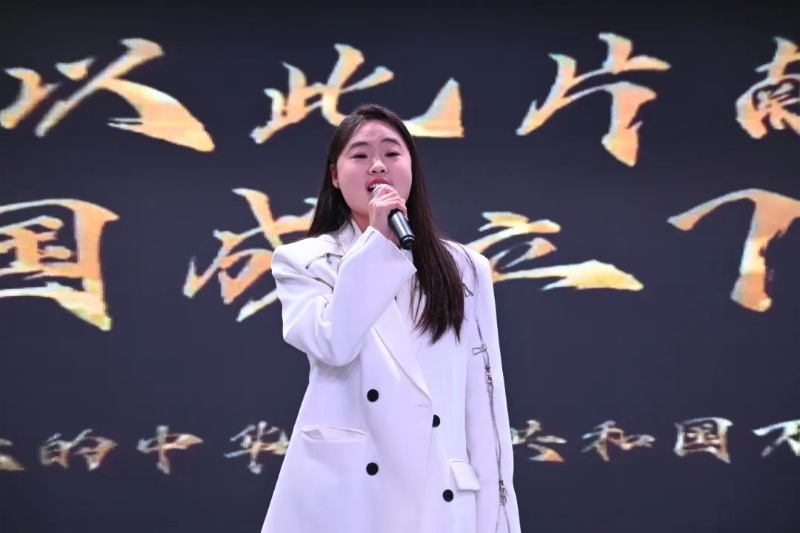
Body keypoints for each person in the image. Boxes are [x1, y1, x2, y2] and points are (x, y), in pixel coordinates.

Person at [259, 103, 521, 533]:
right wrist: (378, 245)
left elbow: (484, 403)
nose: (377, 165)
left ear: (411, 167)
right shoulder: (304, 261)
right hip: (348, 497)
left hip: (439, 494)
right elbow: (334, 343)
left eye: (392, 153)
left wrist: (500, 521)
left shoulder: (465, 268)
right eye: (360, 154)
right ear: (335, 175)